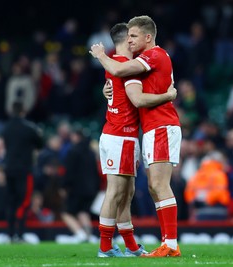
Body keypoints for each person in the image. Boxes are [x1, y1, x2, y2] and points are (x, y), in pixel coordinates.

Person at [90, 15, 182, 257]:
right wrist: (168, 95)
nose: (130, 40)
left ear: (148, 37)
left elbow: (127, 85)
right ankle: (109, 246)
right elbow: (133, 97)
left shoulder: (150, 57)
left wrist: (102, 57)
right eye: (128, 36)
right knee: (127, 190)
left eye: (134, 36)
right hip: (126, 134)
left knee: (143, 188)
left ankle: (166, 244)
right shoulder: (129, 64)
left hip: (154, 127)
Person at [2, 101, 43, 242]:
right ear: (23, 111)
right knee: (24, 201)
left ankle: (9, 233)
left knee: (11, 202)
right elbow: (40, 143)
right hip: (24, 170)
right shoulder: (29, 128)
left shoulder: (6, 128)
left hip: (9, 169)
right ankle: (19, 233)